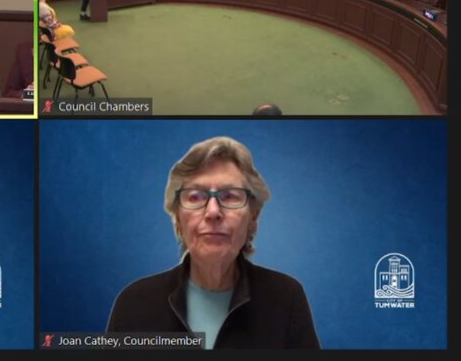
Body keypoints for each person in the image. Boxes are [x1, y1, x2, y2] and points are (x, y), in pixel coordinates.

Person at [107, 136, 320, 348]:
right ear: (178, 219)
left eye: (230, 196)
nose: (213, 212)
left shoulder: (286, 299)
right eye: (195, 197)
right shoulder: (135, 304)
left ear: (252, 218)